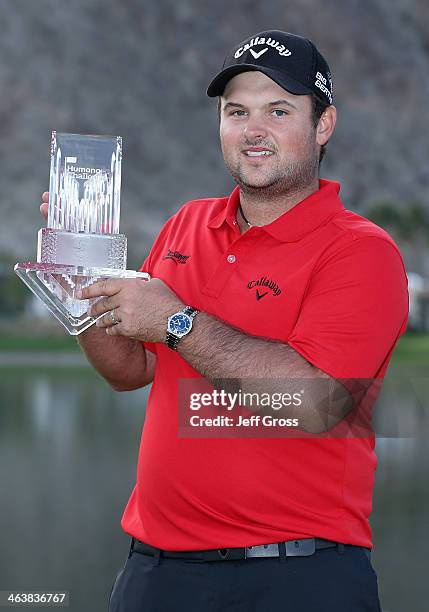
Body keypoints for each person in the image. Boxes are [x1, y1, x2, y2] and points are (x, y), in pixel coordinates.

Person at [41, 30, 408, 612]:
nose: (252, 130)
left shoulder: (362, 251)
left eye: (278, 111)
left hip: (298, 574)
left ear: (324, 125)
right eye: (236, 111)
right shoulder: (187, 223)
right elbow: (128, 370)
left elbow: (318, 405)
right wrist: (82, 290)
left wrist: (180, 323)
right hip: (156, 572)